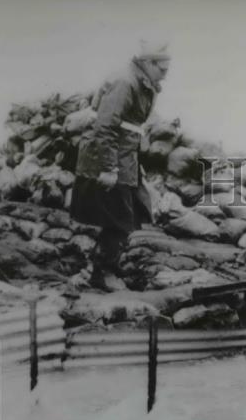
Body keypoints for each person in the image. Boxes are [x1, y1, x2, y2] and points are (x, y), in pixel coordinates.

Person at [70, 43, 171, 292]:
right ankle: (101, 272)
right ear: (147, 63)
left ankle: (105, 266)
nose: (165, 74)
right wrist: (108, 168)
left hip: (125, 158)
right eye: (162, 68)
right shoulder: (125, 82)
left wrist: (134, 166)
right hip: (106, 159)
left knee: (132, 213)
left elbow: (130, 130)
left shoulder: (143, 84)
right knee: (120, 218)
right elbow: (105, 126)